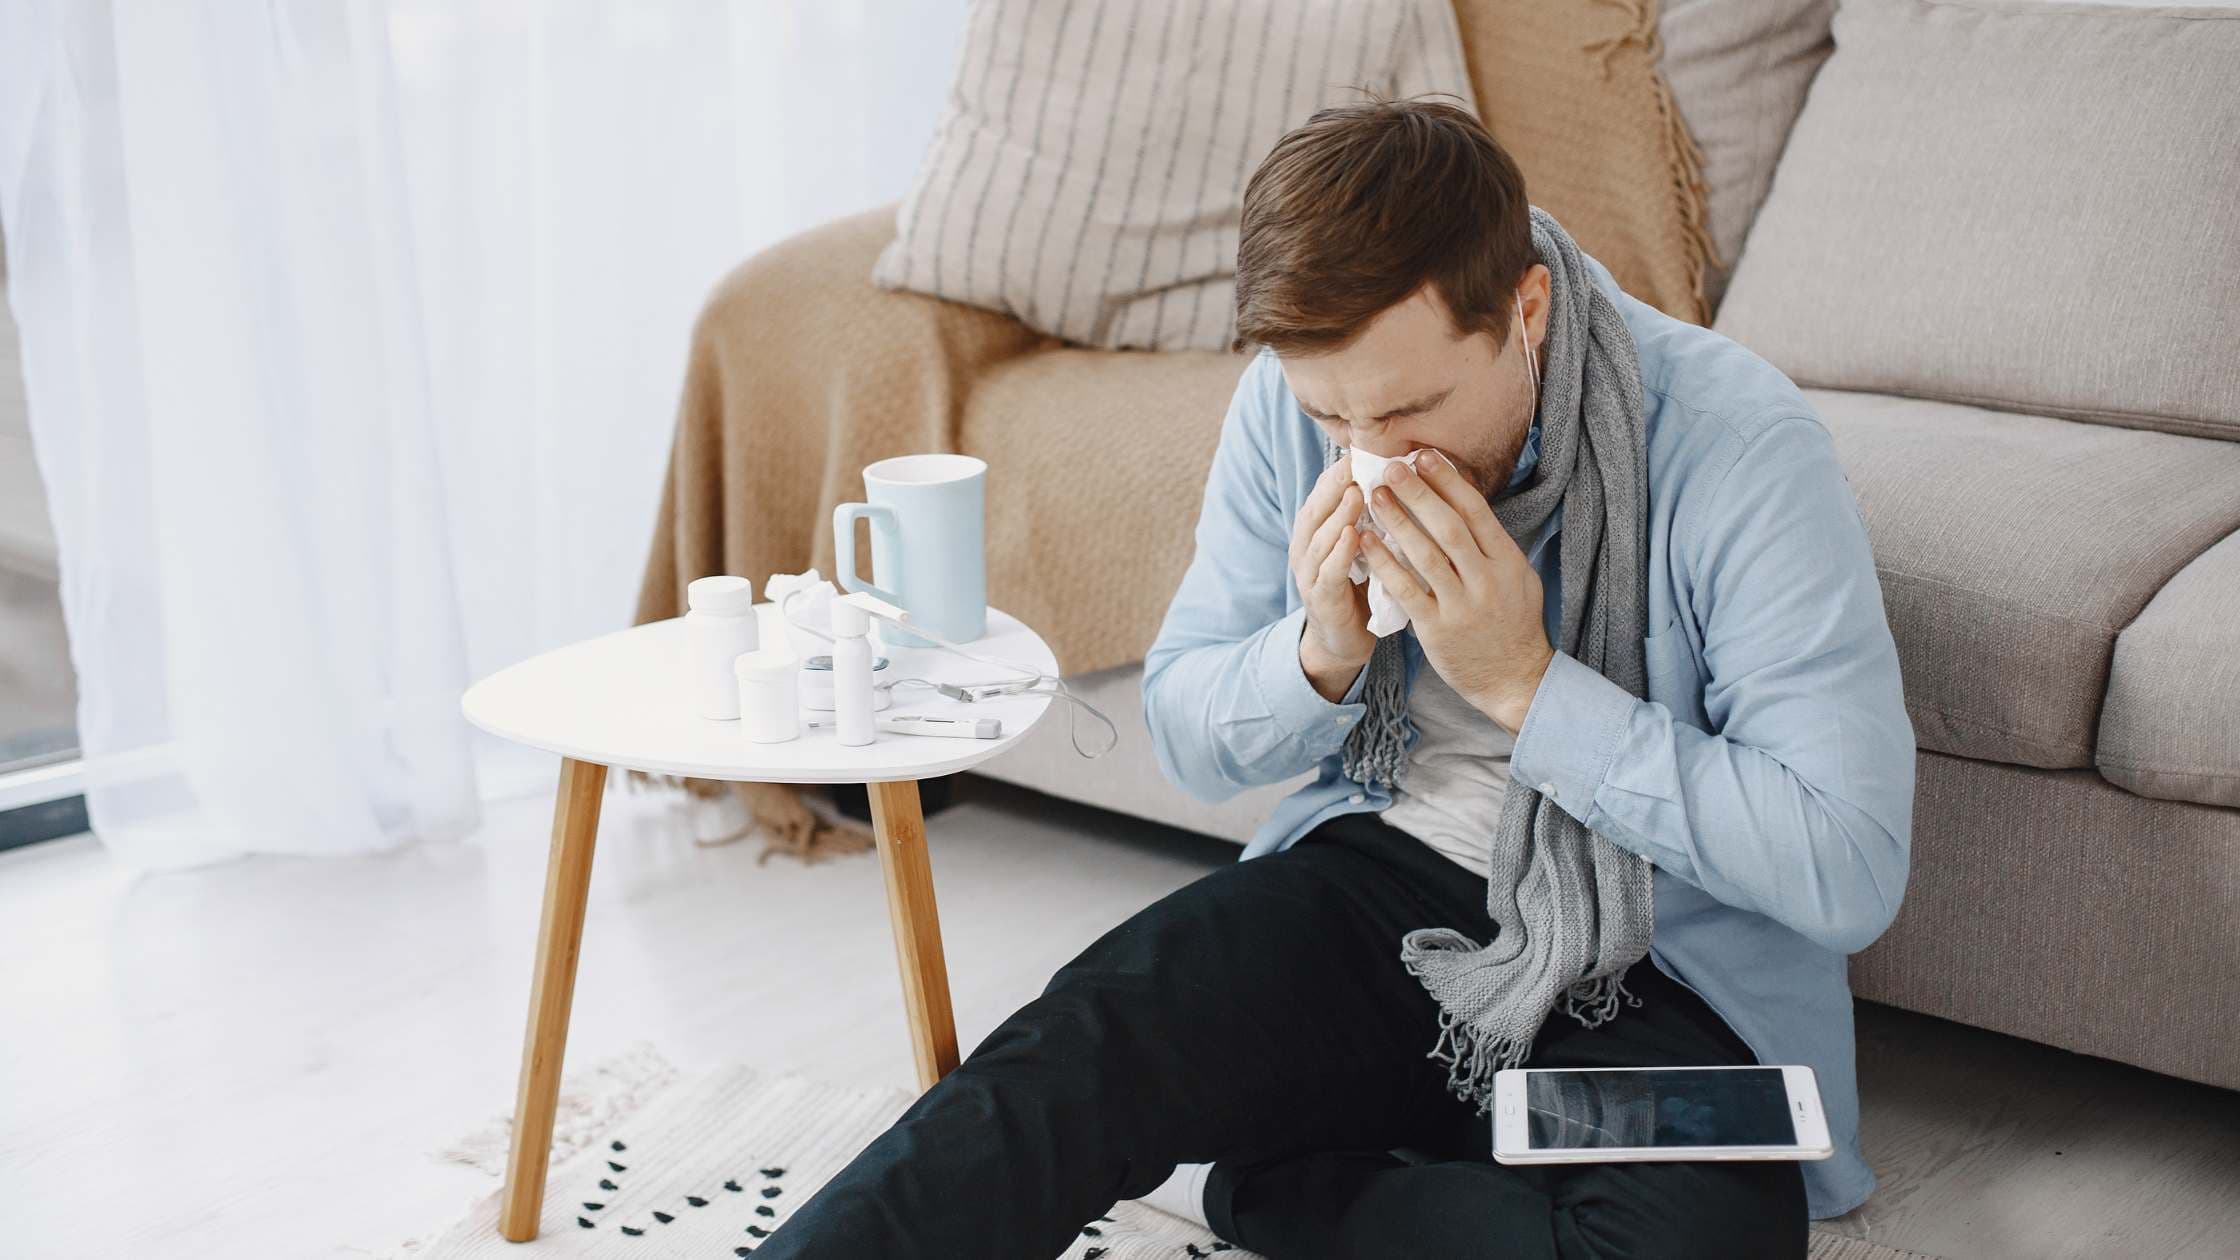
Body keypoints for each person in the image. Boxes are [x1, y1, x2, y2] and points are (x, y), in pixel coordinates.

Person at [758, 98, 1913, 1260]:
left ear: (1524, 311)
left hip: (1647, 956)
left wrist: (1528, 685)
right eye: (1333, 414)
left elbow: (1846, 868)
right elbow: (1188, 733)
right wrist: (1317, 653)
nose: (1371, 453)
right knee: (1081, 1047)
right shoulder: (1291, 402)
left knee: (1697, 1239)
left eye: (1411, 409)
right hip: (1378, 886)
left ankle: (1256, 1181)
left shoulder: (1736, 446)